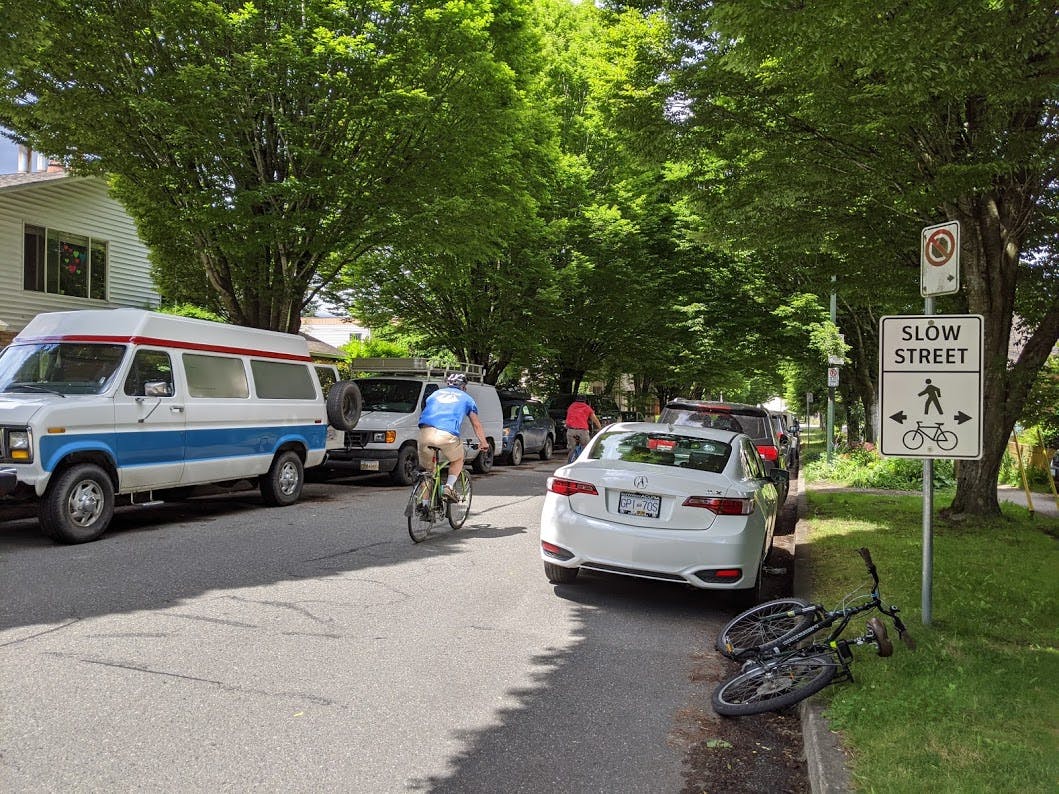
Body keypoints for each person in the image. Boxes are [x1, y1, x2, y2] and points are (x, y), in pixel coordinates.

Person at [418, 373, 489, 501]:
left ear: (448, 384)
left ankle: (423, 504)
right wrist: (483, 442)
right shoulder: (467, 399)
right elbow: (476, 424)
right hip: (447, 434)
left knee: (430, 472)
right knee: (458, 458)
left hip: (425, 433)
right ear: (463, 387)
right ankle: (449, 486)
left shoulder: (434, 395)